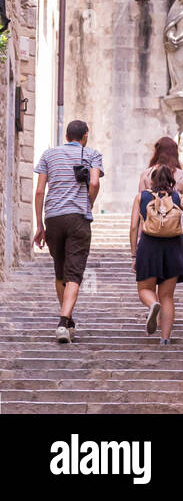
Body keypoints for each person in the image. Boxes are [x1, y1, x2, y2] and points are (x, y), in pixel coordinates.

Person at [33, 119, 104, 343]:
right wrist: (89, 204)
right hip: (77, 218)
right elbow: (94, 183)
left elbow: (39, 191)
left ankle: (68, 318)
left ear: (66, 136)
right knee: (74, 274)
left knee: (60, 271)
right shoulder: (92, 154)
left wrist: (39, 224)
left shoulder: (48, 155)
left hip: (53, 217)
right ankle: (63, 322)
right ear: (85, 136)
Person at [130, 164, 183, 344]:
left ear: (151, 180)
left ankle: (152, 304)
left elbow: (134, 227)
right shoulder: (176, 196)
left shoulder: (141, 197)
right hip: (173, 247)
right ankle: (165, 339)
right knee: (167, 296)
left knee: (144, 289)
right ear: (171, 181)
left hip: (149, 246)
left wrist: (133, 255)